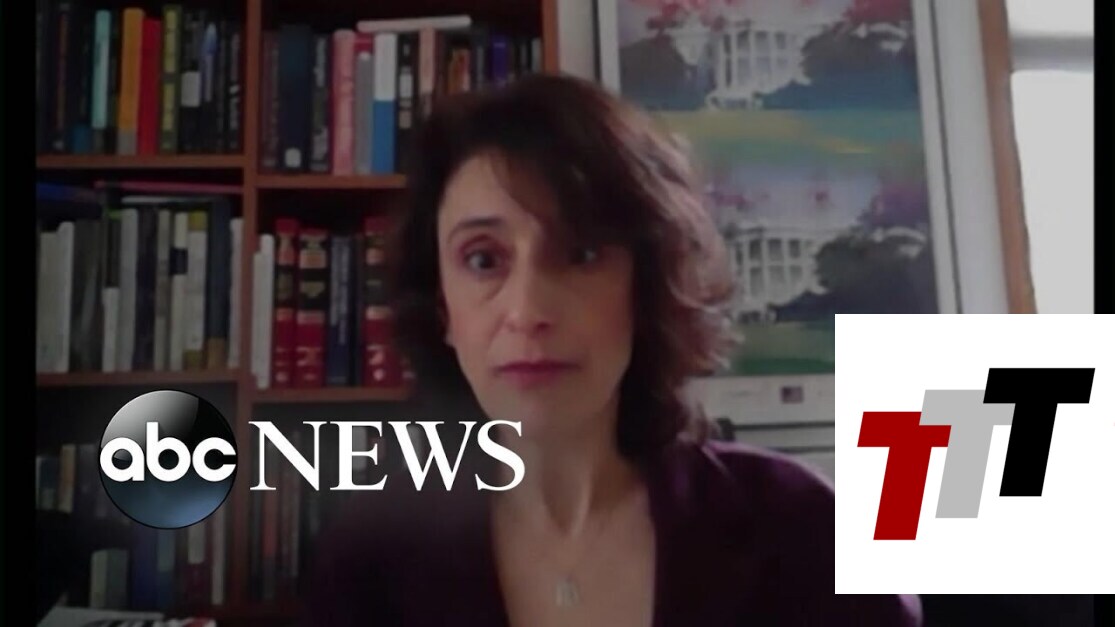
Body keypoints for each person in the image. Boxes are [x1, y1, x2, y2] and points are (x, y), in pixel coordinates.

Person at [303, 72, 923, 627]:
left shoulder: (806, 532)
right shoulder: (368, 563)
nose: (528, 311)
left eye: (581, 253)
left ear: (643, 285)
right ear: (443, 308)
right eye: (484, 260)